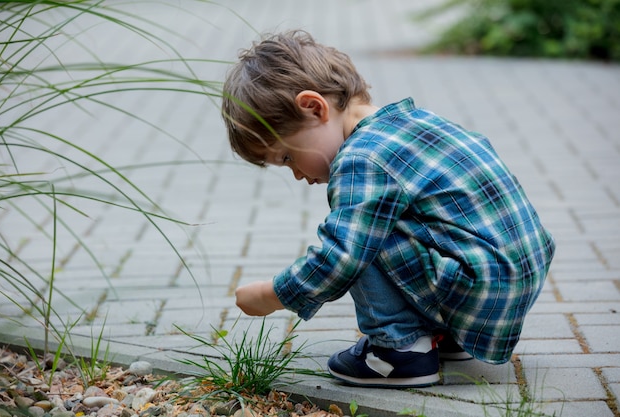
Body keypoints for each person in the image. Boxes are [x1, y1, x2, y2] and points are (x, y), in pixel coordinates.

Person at [221, 30, 555, 388]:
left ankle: (399, 352)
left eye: (287, 157)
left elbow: (340, 258)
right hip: (508, 280)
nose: (298, 175)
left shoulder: (362, 159)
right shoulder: (418, 122)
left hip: (479, 286)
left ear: (314, 108)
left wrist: (273, 294)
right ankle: (447, 335)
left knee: (361, 234)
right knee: (391, 218)